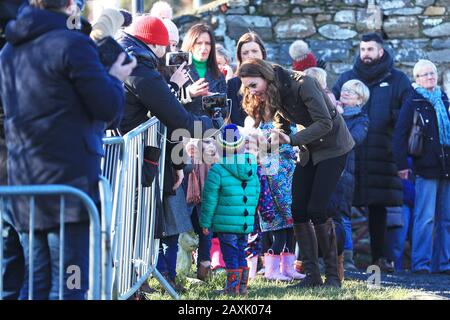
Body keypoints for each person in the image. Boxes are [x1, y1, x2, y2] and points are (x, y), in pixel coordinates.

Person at [0, 0, 136, 299]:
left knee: (34, 280)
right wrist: (115, 78)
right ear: (72, 5)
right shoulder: (73, 44)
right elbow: (107, 107)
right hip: (68, 183)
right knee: (71, 281)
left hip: (24, 180)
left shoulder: (9, 50)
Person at [237, 58, 355, 288]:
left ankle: (332, 276)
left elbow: (325, 124)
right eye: (247, 87)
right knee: (298, 210)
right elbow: (283, 120)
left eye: (253, 85)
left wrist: (290, 139)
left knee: (317, 209)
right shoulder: (275, 88)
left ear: (265, 76)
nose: (251, 92)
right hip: (308, 149)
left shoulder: (304, 84)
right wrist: (274, 139)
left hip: (333, 148)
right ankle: (311, 275)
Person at [332, 32, 412, 272]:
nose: (365, 54)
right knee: (343, 208)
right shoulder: (347, 79)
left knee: (379, 208)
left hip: (383, 154)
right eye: (362, 49)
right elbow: (331, 105)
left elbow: (407, 114)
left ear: (381, 51)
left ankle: (381, 259)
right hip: (351, 155)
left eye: (370, 49)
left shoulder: (397, 79)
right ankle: (343, 259)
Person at [393, 59, 450, 275]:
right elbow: (399, 135)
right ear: (416, 79)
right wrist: (401, 165)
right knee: (425, 218)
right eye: (425, 74)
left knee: (446, 219)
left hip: (447, 166)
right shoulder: (413, 100)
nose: (430, 77)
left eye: (433, 73)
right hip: (425, 167)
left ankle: (444, 264)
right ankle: (421, 264)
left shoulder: (443, 99)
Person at [180, 23, 227, 280]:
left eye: (208, 44)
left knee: (207, 206)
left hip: (210, 144)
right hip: (183, 144)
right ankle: (176, 265)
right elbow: (168, 102)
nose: (203, 48)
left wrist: (217, 111)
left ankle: (206, 262)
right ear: (190, 44)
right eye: (199, 43)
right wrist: (188, 94)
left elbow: (223, 114)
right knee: (184, 203)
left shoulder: (217, 74)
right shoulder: (179, 70)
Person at [117, 16, 212, 135]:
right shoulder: (141, 69)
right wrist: (211, 125)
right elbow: (178, 120)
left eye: (174, 45)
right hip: (126, 147)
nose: (170, 50)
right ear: (156, 44)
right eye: (167, 44)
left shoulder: (122, 56)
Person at [200, 124, 260, 295]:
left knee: (231, 256)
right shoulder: (251, 168)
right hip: (244, 221)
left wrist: (205, 222)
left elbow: (210, 199)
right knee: (241, 252)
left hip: (226, 223)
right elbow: (256, 193)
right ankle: (242, 287)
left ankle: (232, 289)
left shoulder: (218, 169)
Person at [328, 80, 370, 273]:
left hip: (345, 172)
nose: (344, 93)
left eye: (350, 92)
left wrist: (339, 118)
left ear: (359, 99)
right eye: (344, 90)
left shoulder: (361, 119)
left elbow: (353, 140)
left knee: (342, 214)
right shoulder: (332, 110)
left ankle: (347, 257)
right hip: (326, 168)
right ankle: (324, 256)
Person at [228, 32, 267, 126]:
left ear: (262, 53)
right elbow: (236, 120)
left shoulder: (276, 76)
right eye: (245, 53)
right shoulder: (233, 84)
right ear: (240, 57)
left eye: (254, 51)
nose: (250, 56)